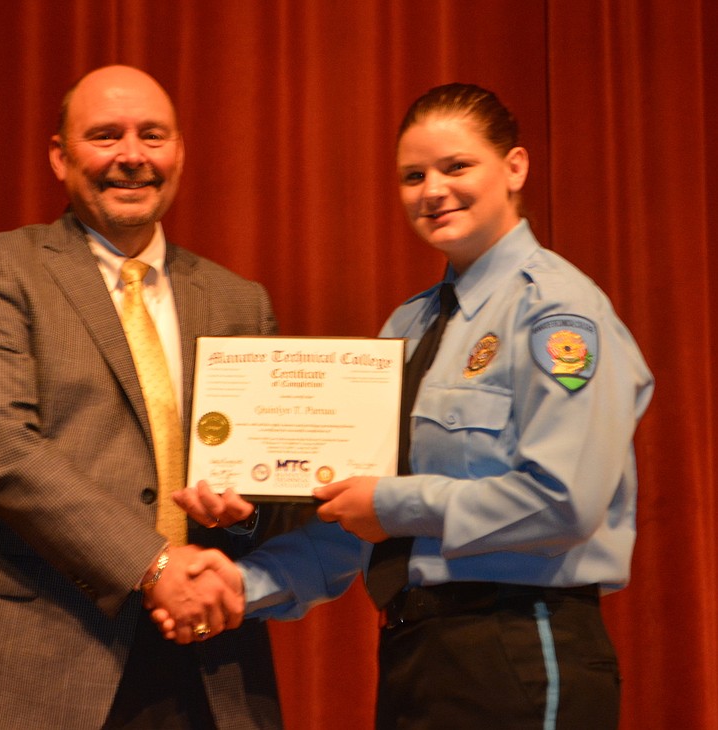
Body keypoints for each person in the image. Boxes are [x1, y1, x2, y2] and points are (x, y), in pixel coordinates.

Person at [160, 83, 655, 729]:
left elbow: (563, 501)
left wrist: (390, 505)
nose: (432, 190)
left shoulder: (557, 313)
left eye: (457, 167)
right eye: (413, 175)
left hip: (521, 644)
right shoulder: (409, 326)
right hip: (414, 650)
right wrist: (239, 585)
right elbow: (355, 520)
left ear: (514, 168)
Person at [0, 65, 292, 730]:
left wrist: (245, 514)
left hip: (205, 670)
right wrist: (153, 562)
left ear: (179, 151)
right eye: (105, 136)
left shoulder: (239, 301)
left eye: (153, 136)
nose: (132, 157)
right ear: (60, 156)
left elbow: (269, 490)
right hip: (36, 666)